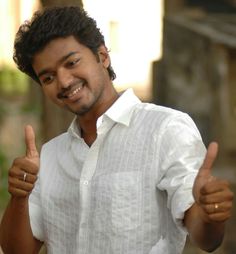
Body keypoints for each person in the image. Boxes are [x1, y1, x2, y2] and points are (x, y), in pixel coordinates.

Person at [0, 6, 234, 254]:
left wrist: (211, 214)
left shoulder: (165, 130)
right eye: (48, 78)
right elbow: (17, 251)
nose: (64, 81)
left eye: (71, 62)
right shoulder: (49, 155)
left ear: (102, 56)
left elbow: (206, 239)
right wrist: (19, 196)